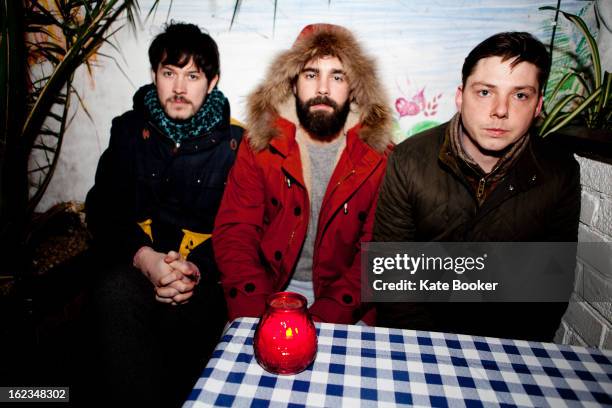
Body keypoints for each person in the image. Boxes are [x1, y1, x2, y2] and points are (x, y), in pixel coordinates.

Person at [373, 32, 580, 341]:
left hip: (510, 351)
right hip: (420, 344)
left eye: (520, 95)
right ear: (460, 96)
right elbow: (392, 279)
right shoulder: (409, 160)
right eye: (485, 92)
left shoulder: (559, 173)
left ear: (538, 106)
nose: (500, 110)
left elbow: (547, 293)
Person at [85, 22, 242, 407]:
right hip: (137, 266)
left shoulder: (236, 145)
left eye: (193, 75)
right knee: (113, 292)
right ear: (154, 74)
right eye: (169, 73)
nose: (179, 88)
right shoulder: (128, 131)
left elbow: (239, 228)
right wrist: (146, 258)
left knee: (192, 331)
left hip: (201, 279)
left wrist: (193, 270)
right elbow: (103, 210)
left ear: (213, 81)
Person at [213, 24, 392, 324]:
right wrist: (257, 314)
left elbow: (376, 254)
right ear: (293, 83)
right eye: (311, 74)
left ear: (354, 88)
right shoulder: (260, 144)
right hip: (267, 292)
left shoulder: (380, 158)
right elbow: (236, 233)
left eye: (337, 76)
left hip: (347, 302)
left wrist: (326, 316)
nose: (323, 88)